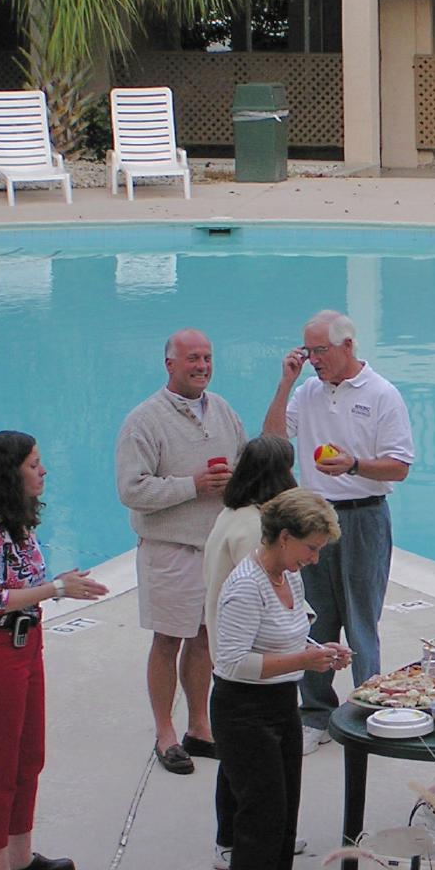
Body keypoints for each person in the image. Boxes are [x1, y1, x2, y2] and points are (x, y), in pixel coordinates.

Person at [0, 431, 108, 870]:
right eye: (34, 464)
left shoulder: (16, 516)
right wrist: (57, 590)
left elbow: (23, 580)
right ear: (10, 471)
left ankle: (19, 855)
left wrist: (57, 585)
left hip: (25, 642)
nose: (43, 471)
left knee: (29, 754)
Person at [263, 309, 413, 754]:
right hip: (313, 516)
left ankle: (368, 709)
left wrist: (354, 465)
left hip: (363, 516)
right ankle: (316, 714)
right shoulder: (307, 391)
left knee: (361, 618)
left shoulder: (381, 393)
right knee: (315, 616)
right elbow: (273, 442)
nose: (313, 359)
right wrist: (285, 383)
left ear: (347, 345)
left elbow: (399, 466)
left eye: (320, 350)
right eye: (308, 351)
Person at [212, 488, 350, 870]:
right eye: (310, 548)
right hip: (243, 710)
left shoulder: (289, 577)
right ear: (284, 537)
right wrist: (303, 661)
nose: (314, 559)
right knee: (260, 818)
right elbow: (232, 662)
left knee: (285, 813)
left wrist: (320, 651)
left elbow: (289, 636)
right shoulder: (245, 586)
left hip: (279, 702)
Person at [115, 327, 246, 776]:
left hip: (214, 548)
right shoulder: (144, 421)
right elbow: (131, 490)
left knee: (204, 637)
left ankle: (199, 726)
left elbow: (244, 461)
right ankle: (165, 733)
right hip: (169, 550)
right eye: (193, 359)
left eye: (207, 358)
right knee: (167, 640)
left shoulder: (222, 410)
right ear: (169, 364)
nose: (202, 366)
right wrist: (193, 485)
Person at [203, 435, 300, 870]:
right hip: (249, 662)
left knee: (236, 759)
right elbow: (262, 593)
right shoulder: (251, 530)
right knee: (248, 765)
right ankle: (234, 839)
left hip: (230, 649)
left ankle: (240, 835)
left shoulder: (232, 513)